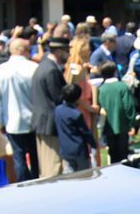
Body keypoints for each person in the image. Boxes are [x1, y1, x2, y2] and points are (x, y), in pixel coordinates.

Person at [29, 34, 69, 178]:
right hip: (49, 123)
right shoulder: (51, 70)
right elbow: (58, 97)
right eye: (67, 51)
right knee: (53, 166)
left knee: (46, 165)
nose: (69, 54)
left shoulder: (44, 65)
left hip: (43, 121)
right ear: (59, 52)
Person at [95, 61, 137, 163]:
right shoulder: (122, 86)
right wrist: (131, 124)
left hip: (108, 127)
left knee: (113, 156)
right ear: (114, 71)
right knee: (123, 156)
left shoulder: (101, 89)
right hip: (122, 126)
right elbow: (129, 106)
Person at [56, 82, 97, 171]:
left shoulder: (57, 110)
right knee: (83, 175)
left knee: (70, 176)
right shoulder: (76, 114)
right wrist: (94, 145)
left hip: (65, 150)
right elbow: (85, 132)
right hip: (79, 151)